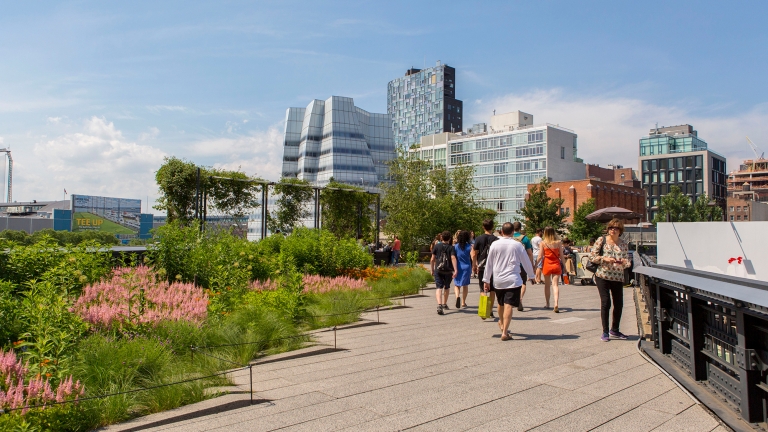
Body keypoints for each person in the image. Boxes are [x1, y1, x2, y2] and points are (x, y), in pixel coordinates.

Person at [483, 222, 535, 341]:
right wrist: (531, 275)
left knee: (500, 304)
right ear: (512, 232)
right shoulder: (517, 245)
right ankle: (505, 332)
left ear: (502, 231)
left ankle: (501, 323)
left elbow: (489, 263)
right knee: (509, 305)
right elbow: (526, 261)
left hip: (498, 279)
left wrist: (486, 279)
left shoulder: (494, 244)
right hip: (513, 279)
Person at [589, 218, 632, 342]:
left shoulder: (623, 244)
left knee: (619, 303)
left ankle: (615, 329)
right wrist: (604, 259)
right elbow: (592, 256)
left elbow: (627, 263)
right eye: (611, 228)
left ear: (620, 230)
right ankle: (605, 331)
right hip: (602, 275)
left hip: (617, 277)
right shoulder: (601, 240)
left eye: (616, 228)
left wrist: (624, 262)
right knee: (606, 302)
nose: (613, 230)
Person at [472, 219, 498, 319]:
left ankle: (483, 311)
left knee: (483, 289)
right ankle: (490, 310)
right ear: (493, 227)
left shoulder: (478, 239)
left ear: (483, 227)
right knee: (492, 289)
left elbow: (474, 254)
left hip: (482, 266)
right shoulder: (496, 239)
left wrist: (474, 265)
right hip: (493, 267)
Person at [431, 231, 457, 315]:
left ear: (441, 237)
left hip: (438, 270)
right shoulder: (451, 248)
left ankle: (439, 305)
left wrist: (432, 269)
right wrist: (455, 269)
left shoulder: (437, 246)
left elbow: (432, 259)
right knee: (447, 287)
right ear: (449, 239)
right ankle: (445, 303)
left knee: (439, 287)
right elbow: (453, 258)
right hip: (448, 270)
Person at [511, 222, 534, 312]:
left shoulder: (510, 238)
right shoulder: (525, 238)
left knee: (513, 283)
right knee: (523, 283)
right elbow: (530, 253)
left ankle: (513, 299)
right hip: (522, 264)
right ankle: (520, 299)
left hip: (512, 264)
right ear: (520, 228)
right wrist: (531, 264)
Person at [540, 226, 564, 313]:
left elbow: (540, 256)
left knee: (547, 285)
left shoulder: (543, 243)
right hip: (556, 264)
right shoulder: (558, 242)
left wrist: (535, 265)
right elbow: (561, 255)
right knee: (555, 285)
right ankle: (556, 303)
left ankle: (547, 303)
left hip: (547, 265)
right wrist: (564, 265)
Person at [453, 230, 472, 308]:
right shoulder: (469, 247)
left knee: (457, 284)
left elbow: (453, 257)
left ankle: (457, 296)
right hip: (467, 267)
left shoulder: (455, 247)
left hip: (458, 266)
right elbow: (472, 256)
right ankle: (463, 302)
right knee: (465, 285)